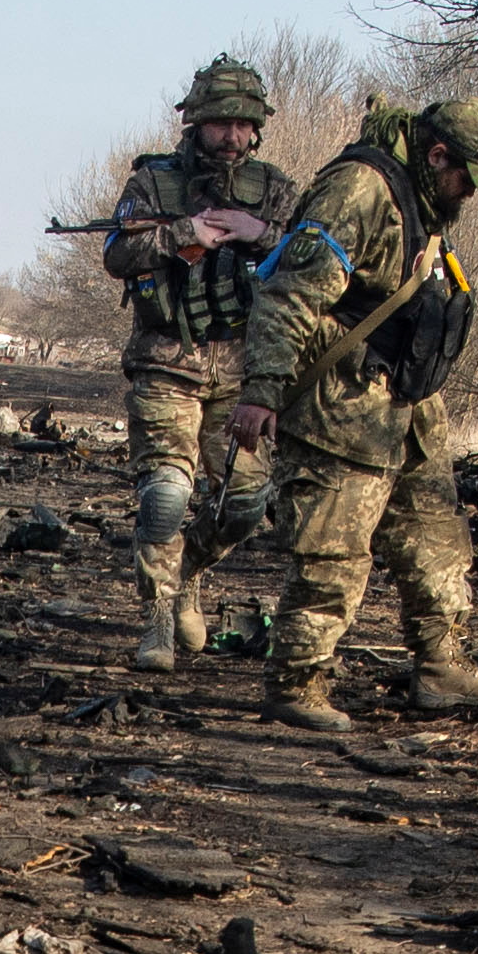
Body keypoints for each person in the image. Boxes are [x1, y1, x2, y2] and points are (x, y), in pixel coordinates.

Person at [241, 89, 478, 734]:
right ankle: (297, 682)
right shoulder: (358, 191)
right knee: (333, 550)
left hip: (406, 402)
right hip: (343, 402)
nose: (471, 194)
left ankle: (442, 666)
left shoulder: (425, 198)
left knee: (436, 536)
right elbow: (288, 295)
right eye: (466, 178)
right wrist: (262, 391)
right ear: (437, 153)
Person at [94, 58, 299, 670]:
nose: (231, 136)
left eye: (242, 124)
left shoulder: (277, 188)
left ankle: (186, 575)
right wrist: (185, 234)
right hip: (166, 362)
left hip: (243, 372)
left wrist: (259, 233)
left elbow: (310, 259)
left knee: (245, 505)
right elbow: (117, 251)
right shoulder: (154, 185)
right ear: (195, 124)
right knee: (165, 496)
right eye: (218, 124)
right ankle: (157, 617)